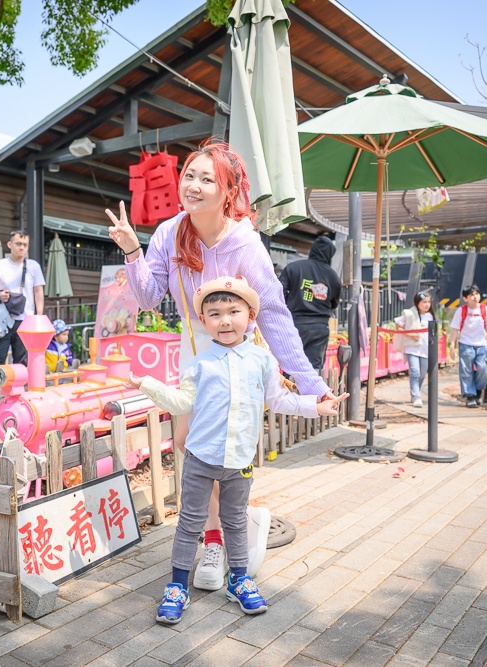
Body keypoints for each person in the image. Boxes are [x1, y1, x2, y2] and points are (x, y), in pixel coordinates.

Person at [105, 139, 339, 592]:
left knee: (222, 450)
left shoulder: (244, 243)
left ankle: (219, 536)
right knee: (189, 443)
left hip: (238, 354)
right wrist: (134, 251)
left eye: (206, 178)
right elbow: (151, 297)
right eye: (189, 175)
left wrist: (313, 387)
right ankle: (217, 533)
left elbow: (272, 314)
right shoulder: (171, 232)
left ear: (227, 191)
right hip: (195, 352)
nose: (192, 185)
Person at [128, 276, 342, 624]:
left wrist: (315, 407)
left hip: (239, 461)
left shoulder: (261, 360)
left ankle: (239, 579)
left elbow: (278, 399)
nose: (224, 320)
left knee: (236, 523)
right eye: (214, 313)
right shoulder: (198, 364)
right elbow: (182, 401)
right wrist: (147, 384)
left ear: (251, 315)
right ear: (204, 321)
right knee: (188, 523)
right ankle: (177, 585)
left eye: (233, 311)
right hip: (200, 460)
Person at [0, 230, 45, 383]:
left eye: (25, 245)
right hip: (2, 319)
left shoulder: (33, 266)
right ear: (10, 245)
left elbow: (38, 292)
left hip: (26, 320)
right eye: (18, 244)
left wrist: (39, 317)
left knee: (22, 361)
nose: (21, 248)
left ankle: (19, 394)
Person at [278, 235, 342, 370]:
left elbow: (279, 293)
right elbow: (334, 303)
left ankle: (291, 390)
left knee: (291, 366)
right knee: (314, 368)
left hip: (294, 325)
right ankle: (313, 392)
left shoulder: (294, 268)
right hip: (319, 328)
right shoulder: (332, 276)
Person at [448, 285, 487, 407]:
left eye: (477, 294)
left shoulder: (485, 310)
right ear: (466, 298)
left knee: (483, 369)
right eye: (472, 295)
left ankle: (478, 390)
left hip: (481, 345)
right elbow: (455, 329)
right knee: (466, 370)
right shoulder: (461, 311)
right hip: (465, 344)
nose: (475, 297)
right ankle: (470, 396)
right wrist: (452, 345)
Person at [394, 291, 435, 408]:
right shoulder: (409, 314)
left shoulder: (430, 316)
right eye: (424, 302)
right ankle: (416, 396)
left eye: (428, 302)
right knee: (415, 372)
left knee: (422, 374)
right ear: (417, 303)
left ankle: (415, 392)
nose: (427, 305)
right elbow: (398, 326)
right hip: (412, 347)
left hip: (425, 349)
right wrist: (411, 335)